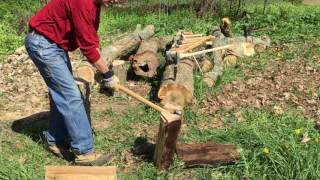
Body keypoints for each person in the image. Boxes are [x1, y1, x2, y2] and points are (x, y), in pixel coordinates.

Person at [25, 0, 119, 166]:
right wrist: (108, 74)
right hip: (43, 44)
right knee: (71, 97)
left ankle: (54, 139)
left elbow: (91, 37)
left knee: (65, 95)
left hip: (55, 45)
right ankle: (84, 154)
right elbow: (88, 47)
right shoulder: (83, 2)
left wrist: (103, 69)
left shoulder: (94, 5)